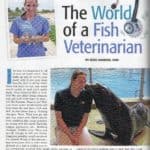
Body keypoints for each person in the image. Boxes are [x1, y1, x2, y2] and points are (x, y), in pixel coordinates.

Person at [54, 70, 93, 145]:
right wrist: (71, 137)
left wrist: (78, 134)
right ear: (73, 81)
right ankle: (57, 134)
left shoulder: (87, 95)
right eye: (80, 81)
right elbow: (59, 118)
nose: (83, 84)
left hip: (79, 127)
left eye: (84, 82)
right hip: (63, 128)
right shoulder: (60, 95)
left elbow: (85, 117)